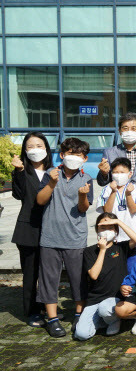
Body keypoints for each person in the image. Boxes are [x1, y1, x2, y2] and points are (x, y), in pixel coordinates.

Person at [36, 138, 94, 337]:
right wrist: (52, 183)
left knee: (78, 278)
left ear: (85, 158)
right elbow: (40, 200)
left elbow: (83, 208)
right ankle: (52, 319)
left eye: (78, 155)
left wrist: (82, 196)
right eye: (70, 154)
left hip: (75, 237)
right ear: (62, 155)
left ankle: (79, 314)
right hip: (50, 237)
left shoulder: (86, 179)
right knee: (48, 278)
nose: (73, 158)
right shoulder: (50, 174)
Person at [97, 113, 136, 255]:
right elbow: (103, 182)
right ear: (119, 131)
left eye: (133, 128)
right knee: (116, 250)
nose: (129, 131)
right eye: (125, 128)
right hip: (118, 213)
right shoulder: (110, 152)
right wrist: (103, 173)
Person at [74, 213, 136, 341]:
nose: (106, 231)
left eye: (110, 227)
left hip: (114, 298)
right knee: (81, 334)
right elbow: (94, 275)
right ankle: (103, 321)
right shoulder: (89, 251)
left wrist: (118, 222)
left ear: (116, 231)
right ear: (97, 231)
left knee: (105, 309)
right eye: (102, 227)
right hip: (95, 299)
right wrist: (102, 250)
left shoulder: (121, 248)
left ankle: (113, 320)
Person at [10, 132, 53, 327]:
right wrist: (18, 171)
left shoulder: (54, 171)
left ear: (46, 148)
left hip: (52, 229)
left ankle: (48, 308)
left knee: (47, 272)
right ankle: (32, 312)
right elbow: (18, 195)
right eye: (30, 146)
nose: (35, 149)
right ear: (25, 151)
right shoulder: (23, 171)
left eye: (39, 145)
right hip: (28, 230)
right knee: (31, 273)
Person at [96, 157, 136, 272]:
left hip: (131, 237)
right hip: (112, 238)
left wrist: (128, 194)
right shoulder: (106, 189)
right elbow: (107, 211)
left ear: (130, 173)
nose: (118, 175)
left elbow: (133, 210)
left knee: (132, 270)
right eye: (115, 172)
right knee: (115, 271)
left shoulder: (134, 188)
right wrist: (113, 191)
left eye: (122, 172)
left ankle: (131, 290)